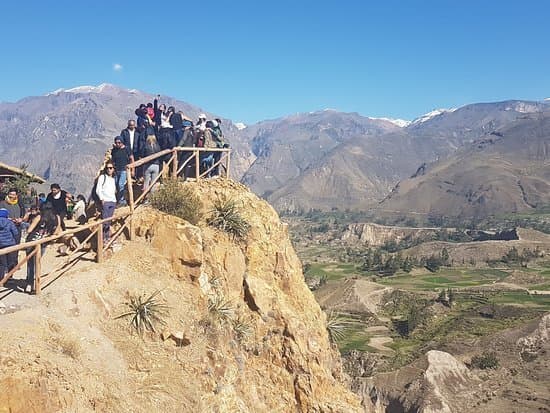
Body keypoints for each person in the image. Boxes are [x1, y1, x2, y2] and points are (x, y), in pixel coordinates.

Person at [24, 203, 60, 294]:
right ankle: (37, 284)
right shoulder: (56, 218)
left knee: (30, 264)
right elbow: (56, 232)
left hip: (32, 242)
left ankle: (30, 284)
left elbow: (29, 230)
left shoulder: (39, 217)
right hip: (43, 243)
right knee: (38, 262)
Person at [95, 162, 117, 242]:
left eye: (111, 168)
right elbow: (98, 189)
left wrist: (115, 200)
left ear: (113, 169)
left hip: (112, 201)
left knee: (109, 221)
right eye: (107, 168)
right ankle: (103, 238)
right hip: (106, 201)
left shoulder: (113, 179)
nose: (109, 169)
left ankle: (107, 237)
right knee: (105, 220)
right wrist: (102, 199)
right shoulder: (102, 177)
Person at [0, 208, 19, 282]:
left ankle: (1, 279)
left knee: (1, 263)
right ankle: (9, 278)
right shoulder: (9, 222)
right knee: (11, 261)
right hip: (10, 244)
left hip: (0, 245)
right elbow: (15, 232)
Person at [111, 137, 131, 206]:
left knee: (121, 185)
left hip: (124, 170)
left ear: (122, 142)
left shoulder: (127, 149)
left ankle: (122, 200)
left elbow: (131, 158)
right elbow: (113, 160)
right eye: (116, 143)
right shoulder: (114, 150)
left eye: (119, 142)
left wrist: (132, 169)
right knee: (116, 185)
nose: (117, 144)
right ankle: (119, 200)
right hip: (117, 170)